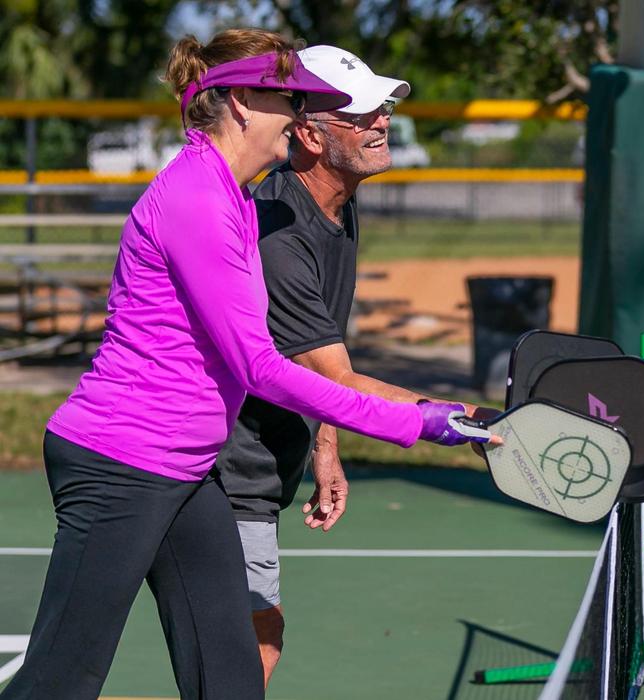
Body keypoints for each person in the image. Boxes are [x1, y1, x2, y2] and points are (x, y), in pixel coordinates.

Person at [1, 30, 489, 700]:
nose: (298, 113)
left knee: (230, 676)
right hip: (121, 462)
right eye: (288, 98)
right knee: (62, 680)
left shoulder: (233, 192)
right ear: (238, 102)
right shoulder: (198, 198)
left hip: (185, 468)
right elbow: (261, 368)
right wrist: (419, 423)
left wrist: (347, 436)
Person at [210, 45, 447, 686]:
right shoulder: (280, 235)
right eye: (363, 113)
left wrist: (326, 446)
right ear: (311, 134)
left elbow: (317, 351)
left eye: (384, 109)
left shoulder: (335, 205)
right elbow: (339, 379)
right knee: (253, 645)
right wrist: (470, 422)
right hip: (227, 474)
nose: (382, 123)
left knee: (241, 645)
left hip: (258, 466)